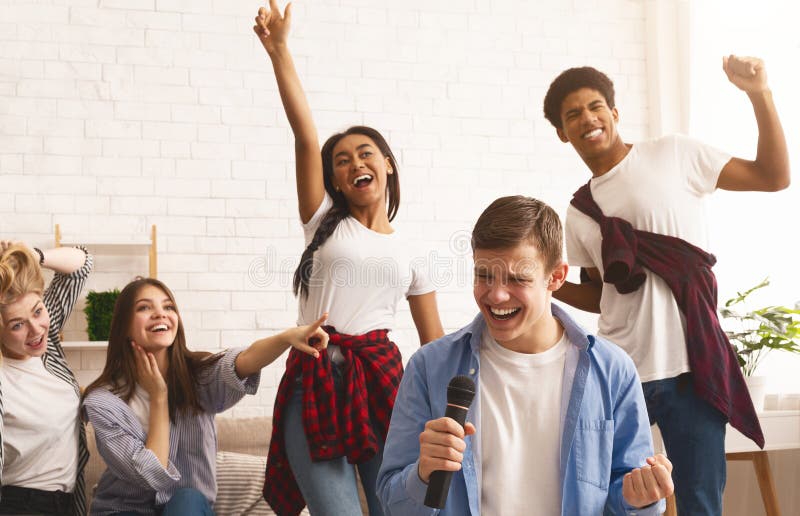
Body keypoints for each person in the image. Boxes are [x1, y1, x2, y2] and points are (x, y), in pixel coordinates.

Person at [543, 56, 790, 515]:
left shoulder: (673, 154)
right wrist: (544, 285)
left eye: (595, 107)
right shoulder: (580, 212)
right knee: (610, 499)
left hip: (689, 367)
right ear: (562, 132)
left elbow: (773, 176)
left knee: (700, 501)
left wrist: (760, 93)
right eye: (572, 115)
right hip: (619, 371)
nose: (587, 119)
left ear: (615, 113)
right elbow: (603, 296)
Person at [253, 2, 445, 515]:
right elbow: (305, 136)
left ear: (387, 165)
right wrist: (279, 51)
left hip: (383, 381)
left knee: (397, 508)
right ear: (334, 180)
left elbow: (435, 346)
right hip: (314, 376)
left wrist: (451, 411)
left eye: (365, 153)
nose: (354, 162)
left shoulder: (414, 251)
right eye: (342, 161)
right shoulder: (322, 221)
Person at [377, 196, 674, 515]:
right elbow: (392, 503)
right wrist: (422, 474)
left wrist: (641, 499)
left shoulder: (613, 371)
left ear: (556, 277)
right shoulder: (430, 367)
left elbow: (628, 500)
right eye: (484, 275)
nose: (496, 295)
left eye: (517, 279)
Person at [81, 277, 330, 516]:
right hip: (123, 509)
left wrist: (286, 338)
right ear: (124, 326)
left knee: (187, 499)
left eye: (168, 307)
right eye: (144, 307)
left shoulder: (199, 378)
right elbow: (151, 473)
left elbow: (240, 362)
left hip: (187, 510)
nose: (160, 313)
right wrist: (159, 396)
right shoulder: (103, 403)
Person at [0, 242, 93, 515]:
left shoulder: (47, 346)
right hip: (19, 505)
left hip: (67, 503)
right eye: (17, 325)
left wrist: (31, 254)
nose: (35, 329)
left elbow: (81, 264)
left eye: (38, 311)